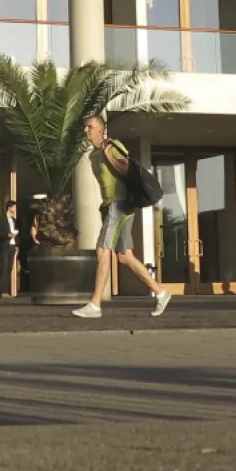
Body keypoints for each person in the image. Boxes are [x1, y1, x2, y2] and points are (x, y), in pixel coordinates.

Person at [73, 113, 172, 319]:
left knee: (102, 250)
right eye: (84, 127)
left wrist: (109, 155)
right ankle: (161, 292)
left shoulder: (112, 145)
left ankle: (95, 304)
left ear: (100, 129)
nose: (86, 131)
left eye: (89, 127)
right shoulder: (92, 155)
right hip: (110, 205)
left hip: (119, 204)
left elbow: (127, 169)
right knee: (124, 256)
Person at [0, 200, 19, 298]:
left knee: (9, 268)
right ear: (9, 208)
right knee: (4, 268)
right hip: (5, 246)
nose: (15, 209)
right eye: (14, 207)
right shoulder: (2, 219)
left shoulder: (14, 220)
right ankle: (2, 291)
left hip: (12, 246)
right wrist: (7, 235)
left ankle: (7, 291)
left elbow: (17, 233)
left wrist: (17, 245)